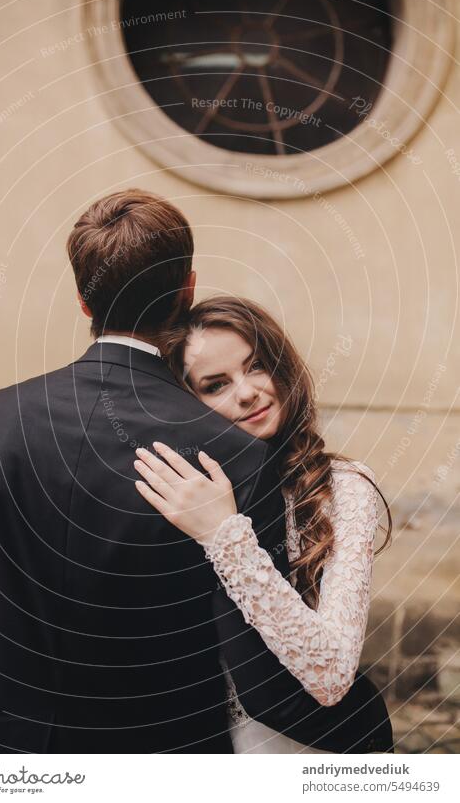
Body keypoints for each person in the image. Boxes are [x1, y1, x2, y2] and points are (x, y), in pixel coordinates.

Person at [0, 189, 383, 754]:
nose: (244, 395)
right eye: (216, 384)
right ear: (186, 289)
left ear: (83, 301)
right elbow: (259, 675)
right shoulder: (227, 454)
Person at [131, 296, 394, 753]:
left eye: (256, 366)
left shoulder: (343, 488)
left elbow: (331, 674)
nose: (247, 392)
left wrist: (225, 536)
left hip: (310, 750)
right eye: (216, 385)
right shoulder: (180, 496)